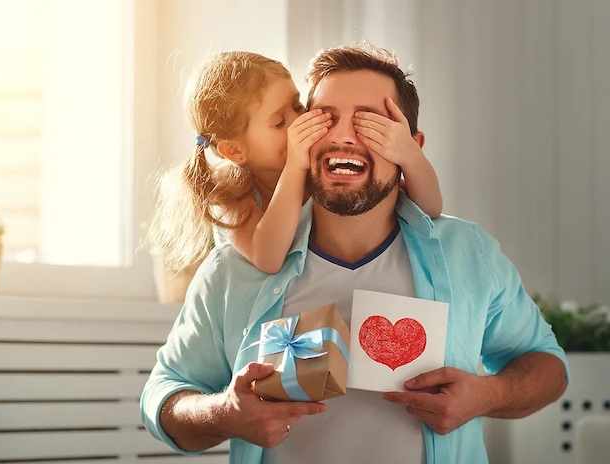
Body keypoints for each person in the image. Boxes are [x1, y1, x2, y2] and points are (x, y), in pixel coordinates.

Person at [140, 42, 568, 464]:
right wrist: (224, 413)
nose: (344, 136)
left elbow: (549, 368)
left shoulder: (467, 255)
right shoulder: (235, 267)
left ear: (410, 145)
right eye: (323, 118)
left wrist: (485, 395)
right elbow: (164, 395)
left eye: (372, 123)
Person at [148, 51, 442, 275]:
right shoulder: (235, 193)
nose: (299, 122)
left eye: (298, 106)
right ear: (234, 151)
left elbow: (429, 207)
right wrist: (295, 168)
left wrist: (408, 153)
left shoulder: (323, 170)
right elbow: (269, 259)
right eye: (279, 122)